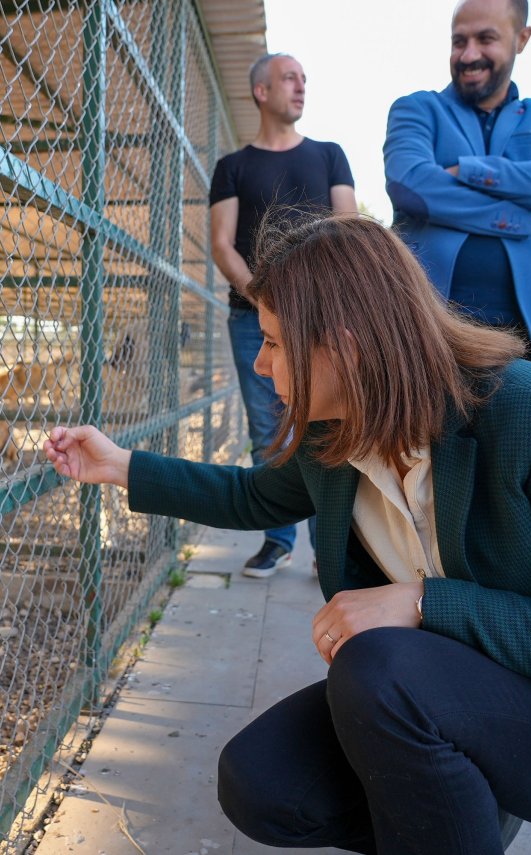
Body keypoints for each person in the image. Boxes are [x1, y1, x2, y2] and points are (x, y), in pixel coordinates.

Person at [44, 215, 531, 854]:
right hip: (478, 688)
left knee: (379, 669)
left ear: (344, 347)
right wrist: (121, 465)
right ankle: (456, 811)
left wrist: (420, 602)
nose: (261, 364)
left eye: (274, 343)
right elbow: (253, 495)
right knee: (260, 781)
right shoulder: (331, 431)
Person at [210, 52, 357, 577]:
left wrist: (308, 306)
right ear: (261, 91)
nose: (300, 87)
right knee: (269, 427)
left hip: (319, 319)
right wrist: (271, 304)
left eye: (304, 79)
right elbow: (223, 246)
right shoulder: (233, 167)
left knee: (327, 425)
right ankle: (278, 539)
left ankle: (329, 545)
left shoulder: (329, 155)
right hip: (252, 318)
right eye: (290, 78)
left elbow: (349, 229)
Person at [383, 0, 531, 361]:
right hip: (426, 330)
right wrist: (523, 212)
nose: (468, 54)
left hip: (522, 335)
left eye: (486, 39)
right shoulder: (416, 109)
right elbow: (411, 187)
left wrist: (469, 171)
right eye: (458, 41)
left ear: (521, 39)